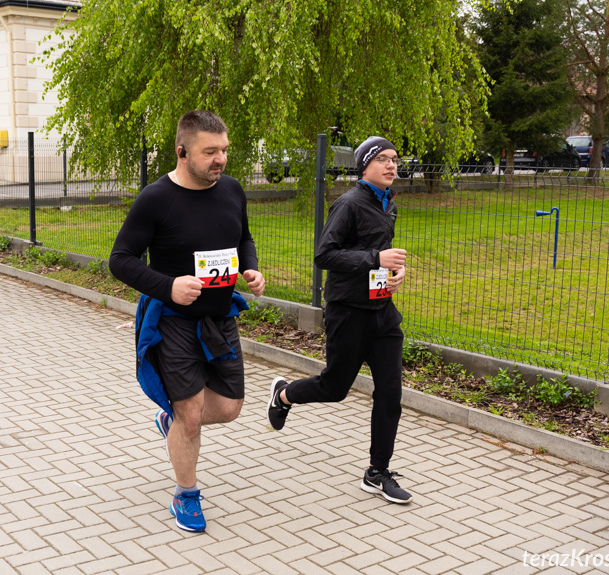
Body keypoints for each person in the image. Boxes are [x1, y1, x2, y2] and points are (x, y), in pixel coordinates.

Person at [109, 110, 266, 533]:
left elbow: (243, 237)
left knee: (230, 408)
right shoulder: (156, 198)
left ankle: (173, 420)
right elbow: (120, 260)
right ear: (182, 151)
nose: (221, 160)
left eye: (224, 151)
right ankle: (186, 494)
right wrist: (167, 287)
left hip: (220, 318)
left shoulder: (232, 190)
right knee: (192, 415)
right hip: (173, 321)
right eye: (210, 152)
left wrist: (250, 268)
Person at [267, 136, 413, 504]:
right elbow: (325, 255)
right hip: (348, 312)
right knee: (334, 388)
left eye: (394, 159)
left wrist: (396, 274)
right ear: (364, 166)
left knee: (391, 394)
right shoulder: (348, 204)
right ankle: (284, 394)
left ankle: (377, 472)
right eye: (382, 159)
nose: (391, 165)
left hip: (383, 314)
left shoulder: (388, 205)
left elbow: (382, 257)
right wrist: (375, 260)